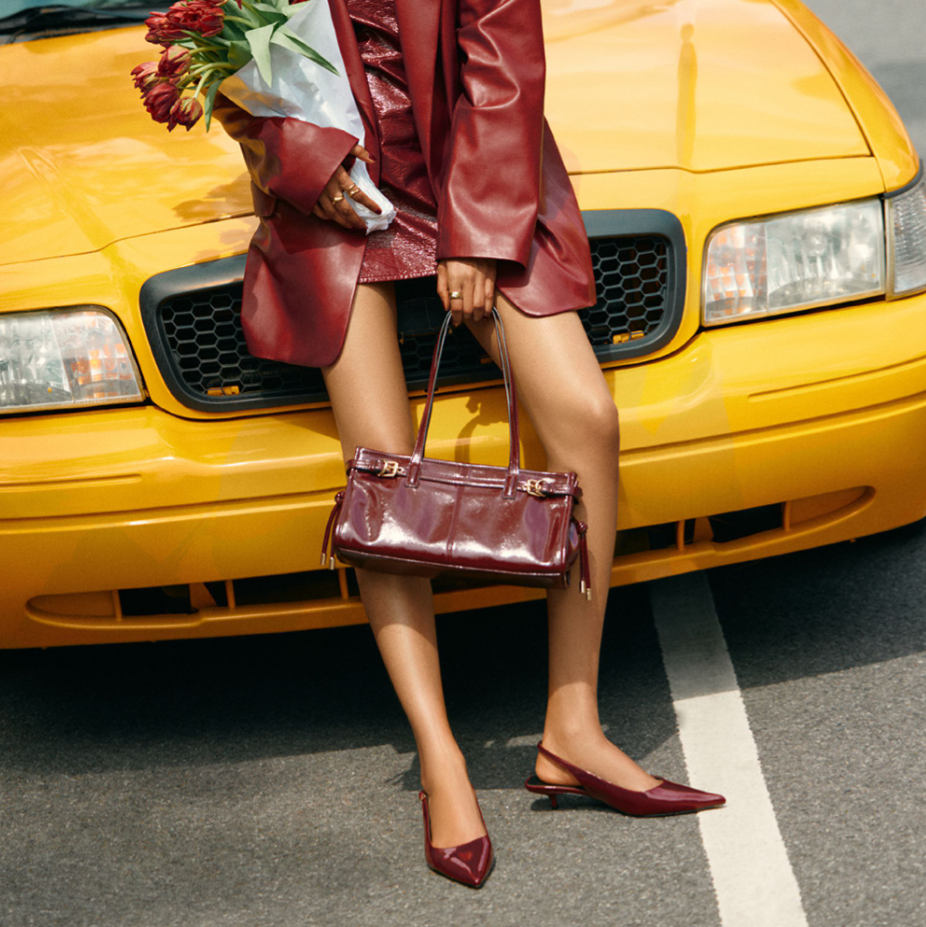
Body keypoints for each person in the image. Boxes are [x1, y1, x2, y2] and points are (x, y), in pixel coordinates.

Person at [216, 0, 724, 890]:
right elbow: (222, 69)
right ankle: (440, 755)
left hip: (471, 174)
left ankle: (574, 727)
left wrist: (479, 238)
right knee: (381, 471)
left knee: (584, 417)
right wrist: (308, 163)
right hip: (334, 202)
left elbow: (503, 62)